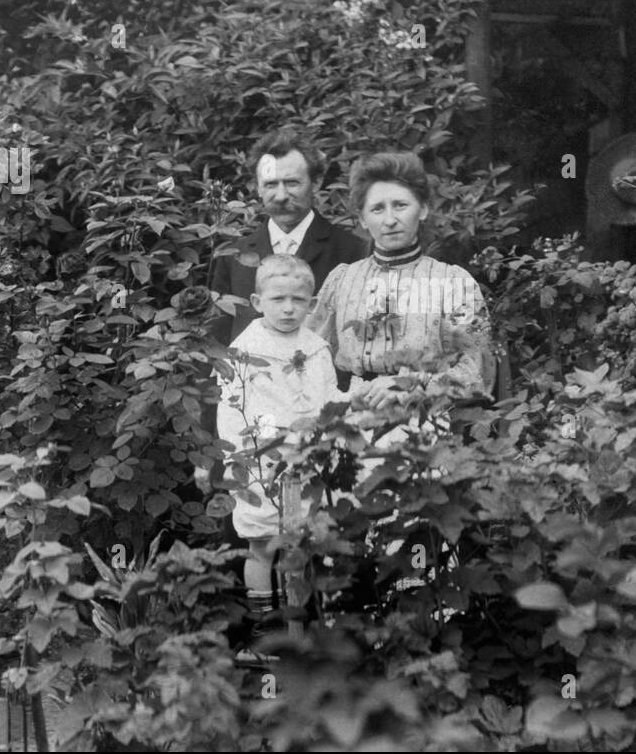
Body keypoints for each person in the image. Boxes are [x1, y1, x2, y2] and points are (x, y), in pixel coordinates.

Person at [307, 152, 494, 612]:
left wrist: (406, 387)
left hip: (420, 429)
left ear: (423, 210)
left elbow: (476, 374)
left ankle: (419, 640)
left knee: (411, 545)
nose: (390, 219)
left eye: (401, 206)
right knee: (346, 544)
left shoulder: (454, 283)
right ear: (361, 219)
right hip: (350, 425)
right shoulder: (342, 280)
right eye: (377, 209)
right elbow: (306, 356)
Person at [216, 254, 341, 642]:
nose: (288, 309)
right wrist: (242, 456)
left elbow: (327, 400)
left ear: (311, 303)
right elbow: (231, 409)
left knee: (300, 546)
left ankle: (299, 628)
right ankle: (264, 624)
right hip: (260, 460)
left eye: (298, 301)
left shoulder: (316, 348)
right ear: (257, 303)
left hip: (305, 460)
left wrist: (322, 444)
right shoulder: (243, 350)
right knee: (262, 545)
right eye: (278, 300)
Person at [209, 128, 369, 352]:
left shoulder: (354, 252)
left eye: (292, 183)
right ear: (257, 188)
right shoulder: (232, 256)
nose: (281, 196)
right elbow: (216, 340)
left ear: (316, 183)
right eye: (271, 184)